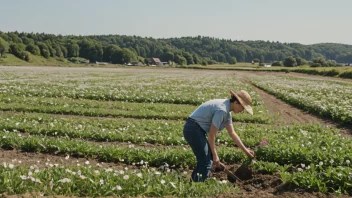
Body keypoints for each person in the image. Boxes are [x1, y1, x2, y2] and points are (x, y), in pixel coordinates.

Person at [183, 90, 255, 182]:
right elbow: (211, 135)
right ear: (237, 102)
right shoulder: (222, 110)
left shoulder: (227, 111)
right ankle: (197, 186)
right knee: (206, 162)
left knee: (206, 159)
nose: (242, 110)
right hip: (193, 129)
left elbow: (232, 133)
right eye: (243, 107)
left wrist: (246, 151)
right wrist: (215, 156)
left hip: (196, 129)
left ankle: (194, 182)